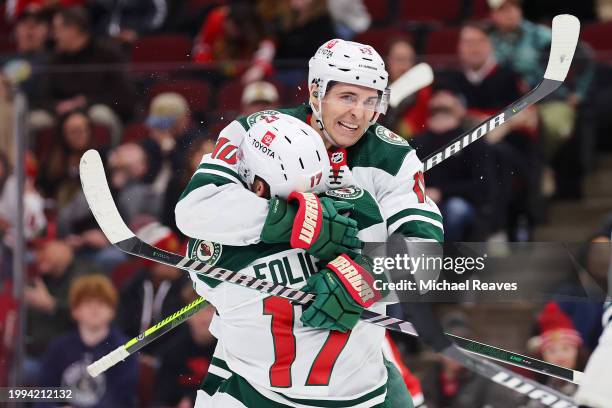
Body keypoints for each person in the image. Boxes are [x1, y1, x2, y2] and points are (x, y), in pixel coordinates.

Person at [188, 113, 411, 407]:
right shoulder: (365, 211)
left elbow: (205, 274)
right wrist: (365, 277)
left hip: (263, 395)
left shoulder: (220, 247)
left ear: (258, 187)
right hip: (362, 396)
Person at [33, 6, 134, 143]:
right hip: (61, 114)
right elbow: (43, 96)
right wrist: (57, 106)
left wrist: (86, 102)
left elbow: (122, 98)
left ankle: (109, 158)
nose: (54, 35)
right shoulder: (55, 60)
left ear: (73, 29)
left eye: (57, 29)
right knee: (34, 120)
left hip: (94, 109)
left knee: (102, 115)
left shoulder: (107, 55)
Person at [37, 274, 137, 407]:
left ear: (112, 310)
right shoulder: (58, 347)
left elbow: (120, 398)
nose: (94, 309)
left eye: (101, 303)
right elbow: (44, 393)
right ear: (75, 310)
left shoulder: (124, 350)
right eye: (88, 303)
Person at [155, 294, 217, 407]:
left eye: (208, 310)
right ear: (187, 316)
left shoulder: (229, 350)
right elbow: (162, 397)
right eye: (197, 311)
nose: (203, 318)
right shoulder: (172, 351)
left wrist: (192, 400)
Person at [381, 37, 431, 139]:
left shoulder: (423, 92)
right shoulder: (377, 90)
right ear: (388, 61)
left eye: (409, 60)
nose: (405, 66)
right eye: (399, 60)